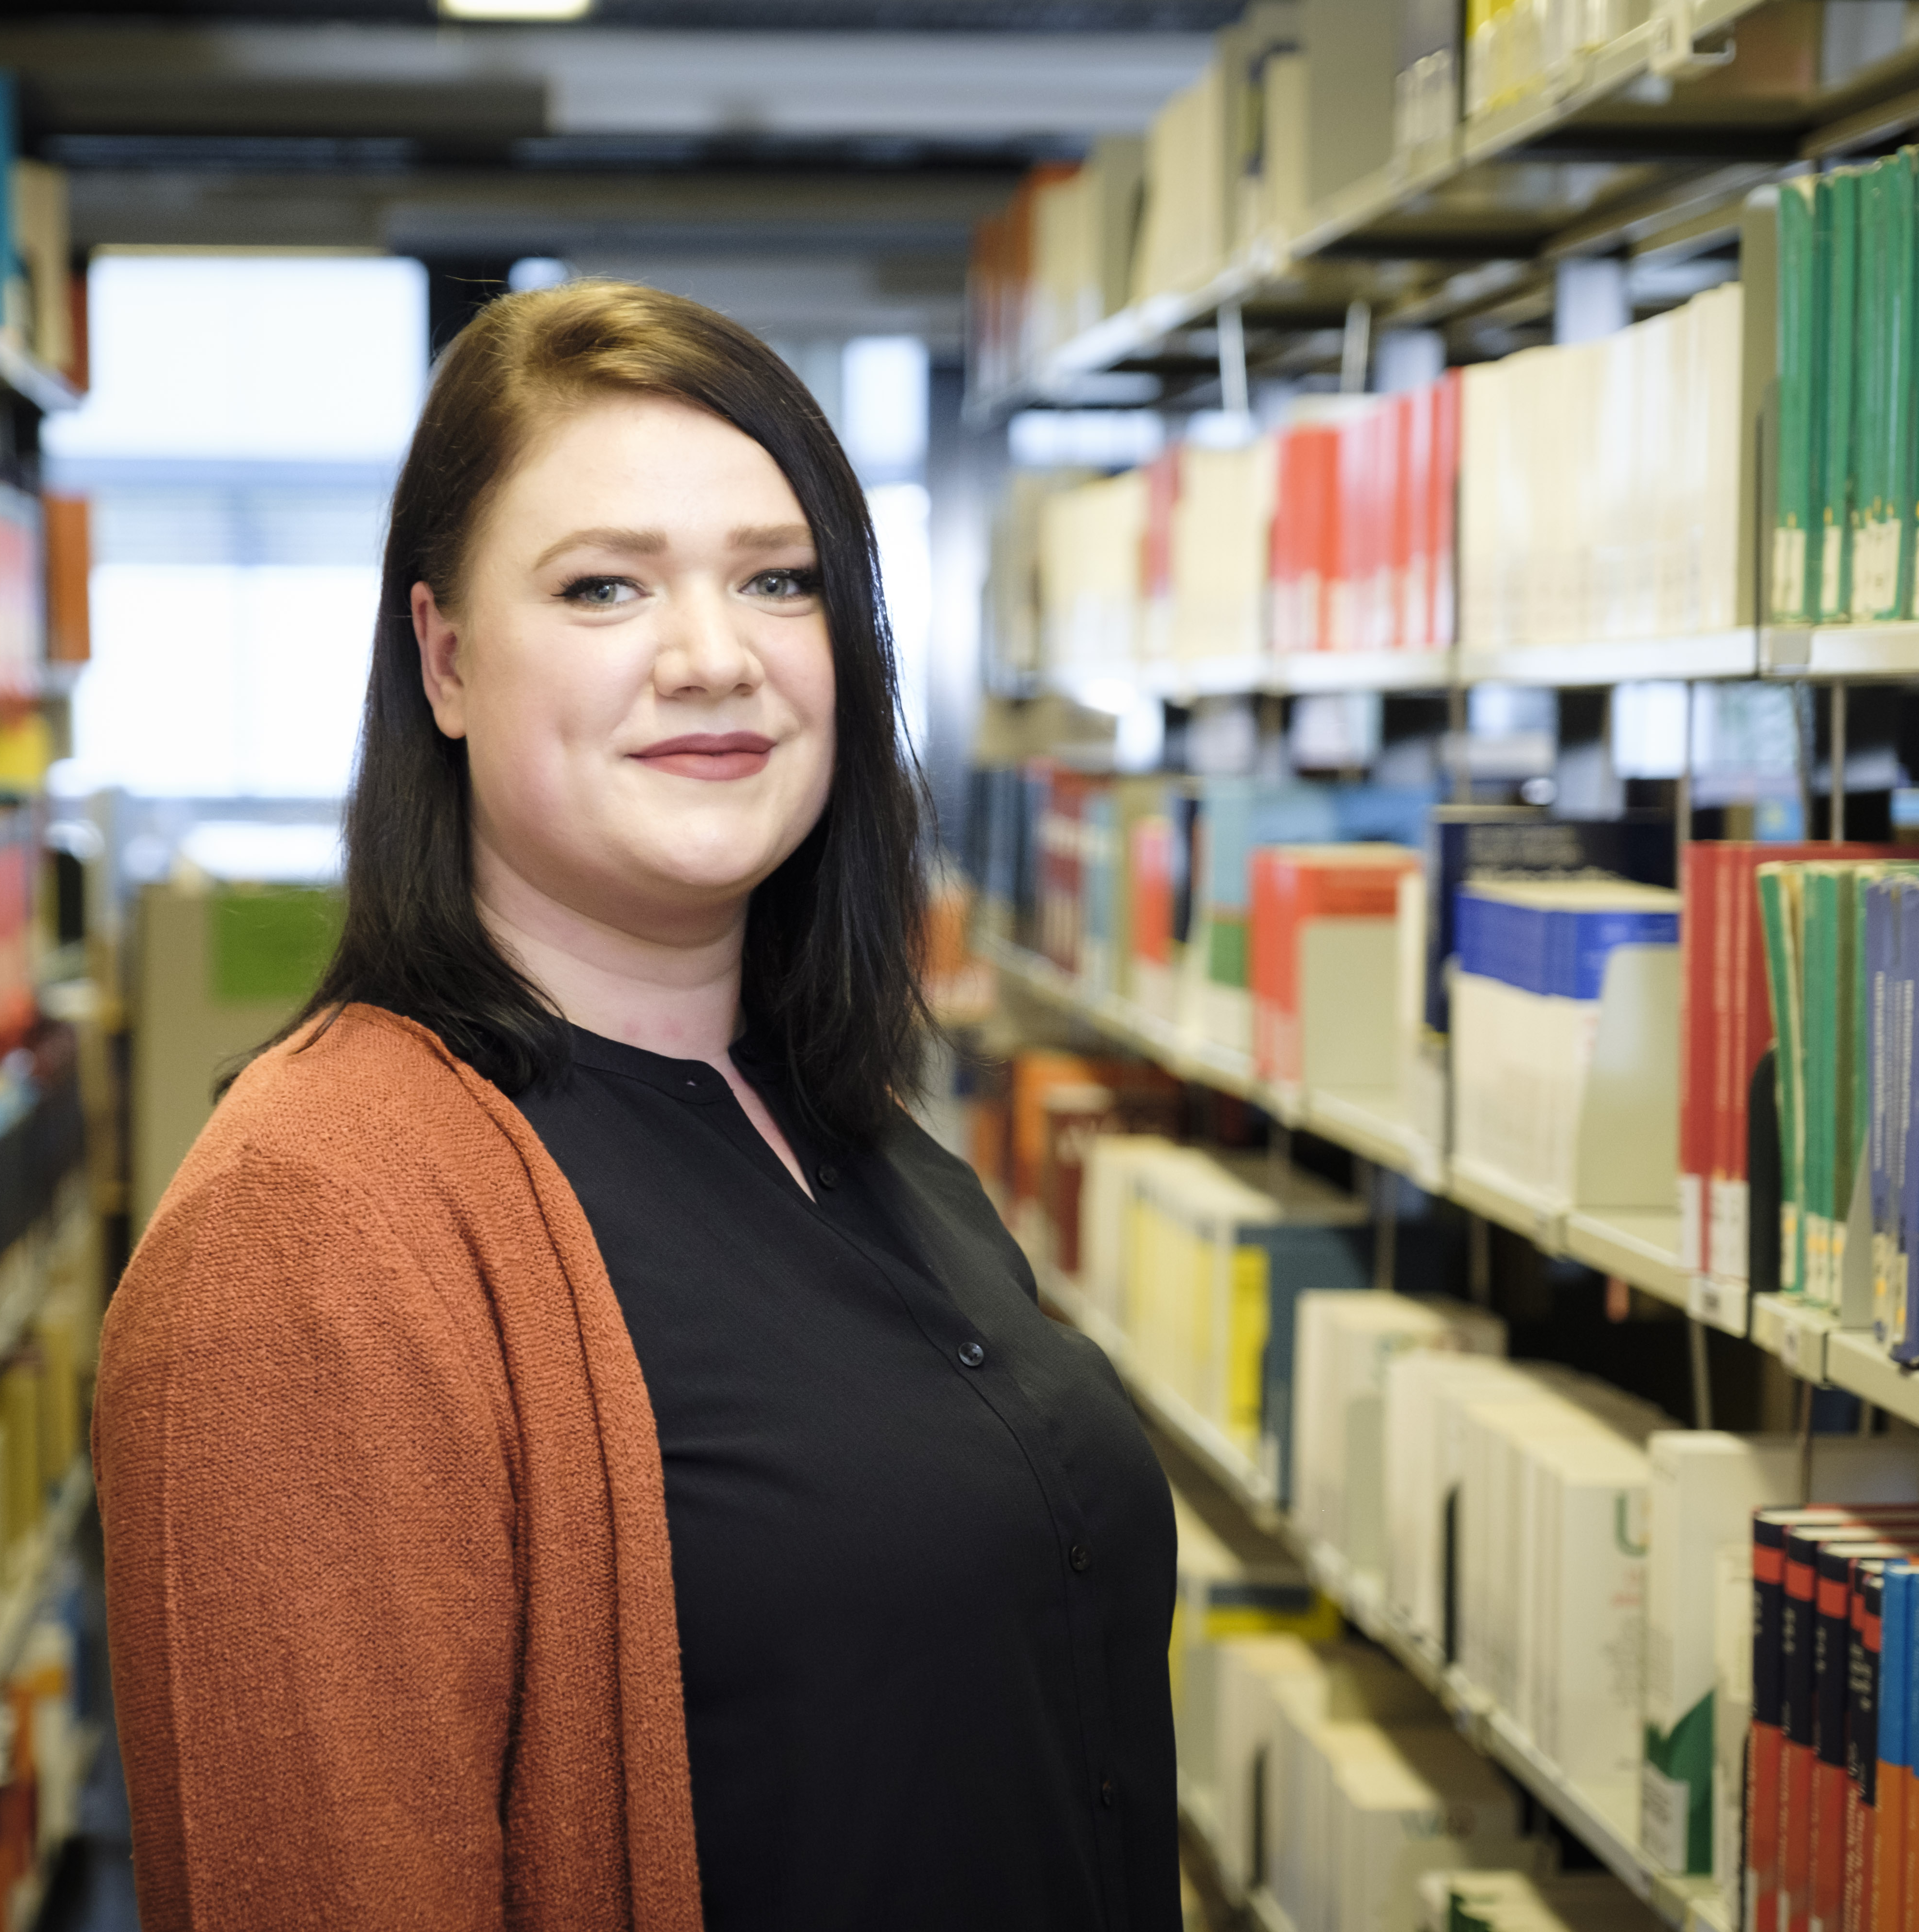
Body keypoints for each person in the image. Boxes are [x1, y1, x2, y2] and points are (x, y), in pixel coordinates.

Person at [96, 280, 1180, 1931]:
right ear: (445, 662)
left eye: (778, 579)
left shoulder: (848, 1121)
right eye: (603, 587)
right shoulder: (313, 1222)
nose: (711, 657)